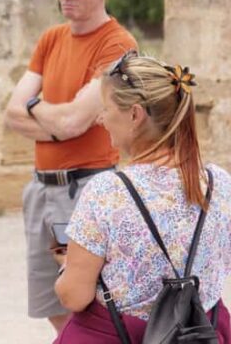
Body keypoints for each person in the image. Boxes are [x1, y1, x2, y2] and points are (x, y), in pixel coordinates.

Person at [4, 0, 137, 334]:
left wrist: (35, 105)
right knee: (48, 297)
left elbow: (75, 122)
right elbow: (12, 115)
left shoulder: (118, 44)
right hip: (40, 188)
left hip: (84, 186)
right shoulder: (50, 39)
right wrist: (49, 114)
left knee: (88, 298)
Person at [54, 52, 231, 342]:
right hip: (203, 332)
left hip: (121, 334)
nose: (101, 119)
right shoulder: (219, 184)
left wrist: (66, 267)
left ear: (135, 114)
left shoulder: (107, 192)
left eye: (107, 109)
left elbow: (73, 296)